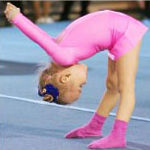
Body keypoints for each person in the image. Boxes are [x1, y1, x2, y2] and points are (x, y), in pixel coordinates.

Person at [4, 2, 148, 149]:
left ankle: (118, 135)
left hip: (124, 31)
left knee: (125, 88)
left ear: (65, 77)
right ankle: (94, 127)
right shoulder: (59, 50)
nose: (84, 82)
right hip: (117, 32)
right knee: (112, 86)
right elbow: (44, 36)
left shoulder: (63, 57)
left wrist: (17, 18)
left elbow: (39, 39)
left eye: (80, 86)